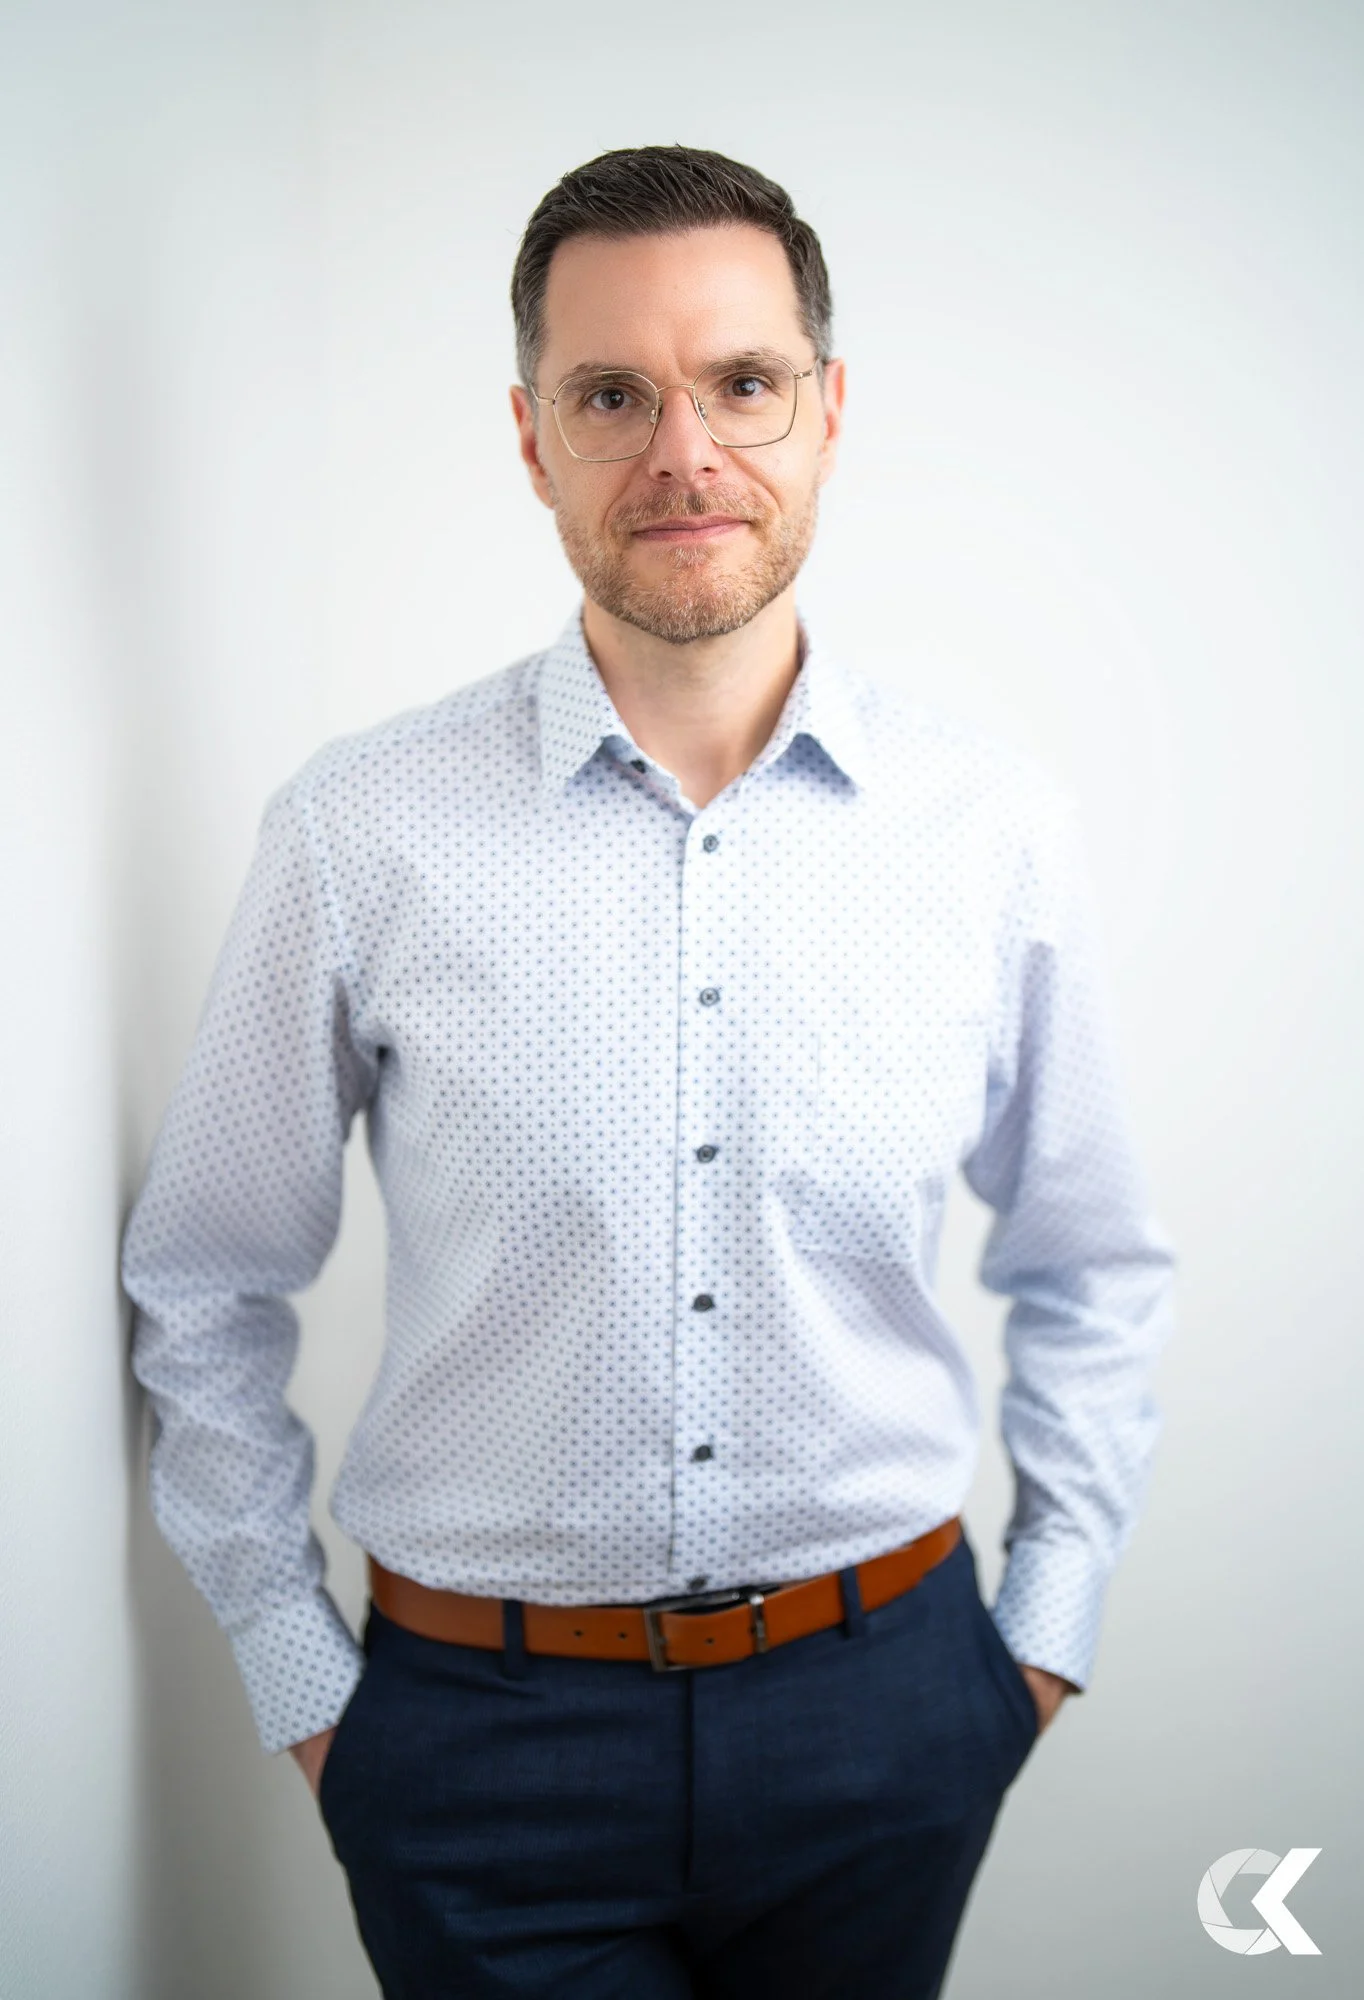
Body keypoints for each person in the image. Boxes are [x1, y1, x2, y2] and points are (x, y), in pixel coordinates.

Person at [123, 144, 1175, 1999]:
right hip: (477, 1747)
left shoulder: (991, 830)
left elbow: (1088, 1264)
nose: (685, 453)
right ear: (533, 438)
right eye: (613, 394)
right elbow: (204, 1284)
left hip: (895, 1715)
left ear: (829, 410)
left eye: (744, 384)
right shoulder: (359, 833)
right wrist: (305, 1687)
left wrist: (1037, 1643)